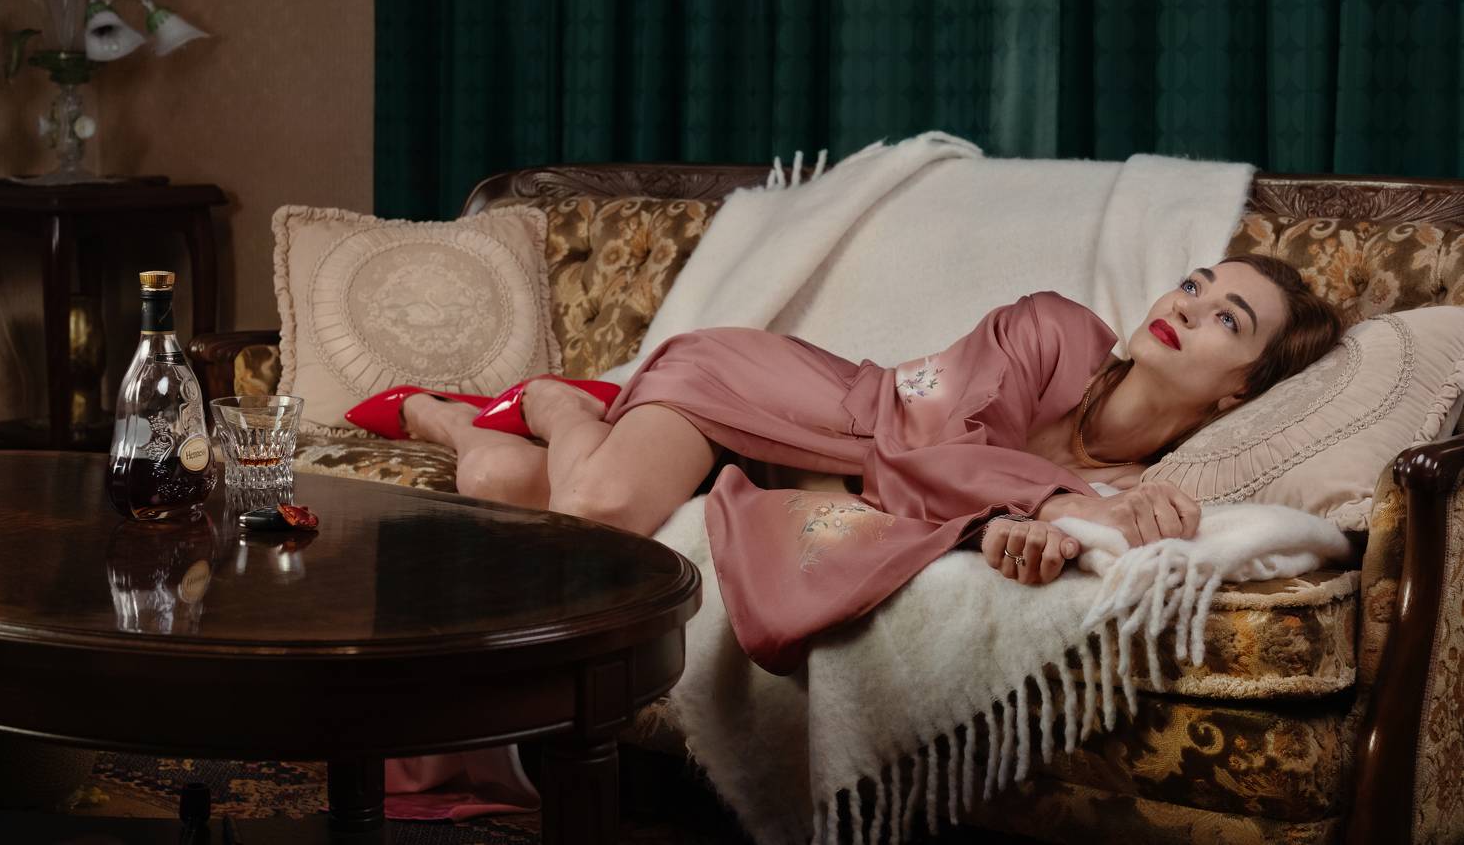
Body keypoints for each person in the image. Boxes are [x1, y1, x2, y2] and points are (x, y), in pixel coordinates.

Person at [349, 254, 1341, 673]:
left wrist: (1038, 525)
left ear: (1238, 393)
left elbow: (975, 511)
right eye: (1194, 285)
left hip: (786, 481)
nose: (1188, 308)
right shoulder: (1054, 328)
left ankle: (448, 420)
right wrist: (1048, 504)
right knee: (598, 507)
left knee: (501, 487)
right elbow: (930, 446)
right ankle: (564, 403)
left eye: (1228, 320)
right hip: (763, 394)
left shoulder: (1129, 488)